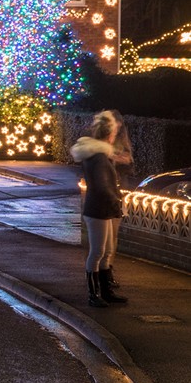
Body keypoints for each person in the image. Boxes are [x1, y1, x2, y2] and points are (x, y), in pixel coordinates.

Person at [70, 111, 128, 307]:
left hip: (101, 207)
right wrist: (116, 201)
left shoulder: (97, 155)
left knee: (105, 250)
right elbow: (103, 186)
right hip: (99, 208)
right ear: (109, 134)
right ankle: (94, 294)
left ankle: (104, 291)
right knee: (98, 251)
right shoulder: (100, 157)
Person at [106, 109, 133, 288]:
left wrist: (117, 158)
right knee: (105, 238)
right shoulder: (99, 146)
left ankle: (108, 269)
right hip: (106, 194)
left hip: (117, 192)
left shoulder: (122, 144)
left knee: (113, 236)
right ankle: (103, 272)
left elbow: (128, 161)